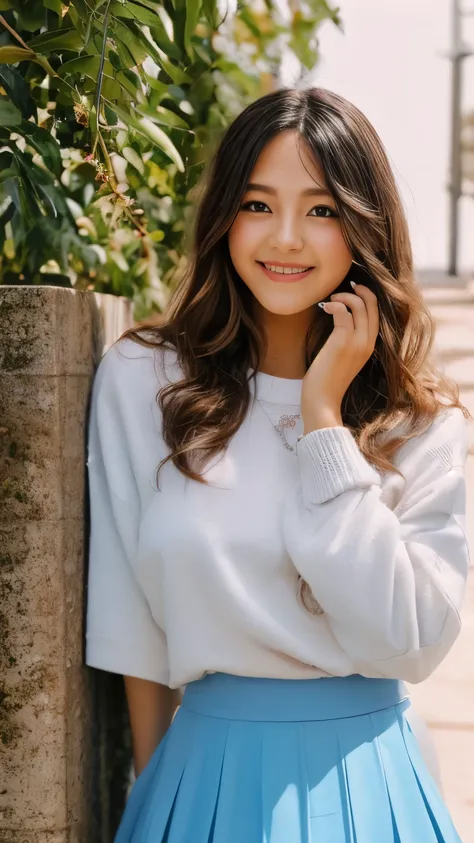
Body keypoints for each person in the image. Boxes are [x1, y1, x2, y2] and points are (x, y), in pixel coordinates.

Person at [85, 87, 470, 842]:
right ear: (225, 214)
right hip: (198, 781)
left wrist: (324, 420)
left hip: (369, 789)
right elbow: (132, 623)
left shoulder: (420, 423)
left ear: (364, 228)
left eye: (322, 210)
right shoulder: (145, 381)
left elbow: (411, 642)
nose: (286, 237)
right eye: (259, 204)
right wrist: (156, 794)